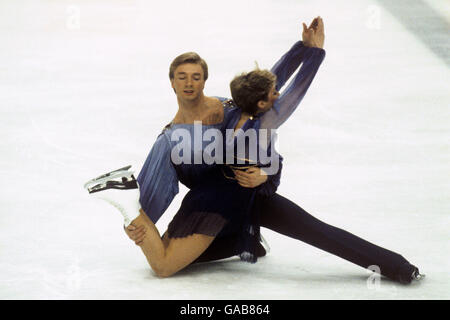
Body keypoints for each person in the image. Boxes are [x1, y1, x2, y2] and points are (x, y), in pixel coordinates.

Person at [85, 17, 424, 283]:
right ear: (262, 102)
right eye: (272, 96)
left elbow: (270, 79)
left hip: (237, 201)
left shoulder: (234, 107)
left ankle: (242, 242)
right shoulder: (263, 121)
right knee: (164, 265)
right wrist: (315, 53)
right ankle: (130, 203)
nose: (277, 97)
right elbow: (296, 90)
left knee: (310, 231)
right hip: (219, 203)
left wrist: (299, 48)